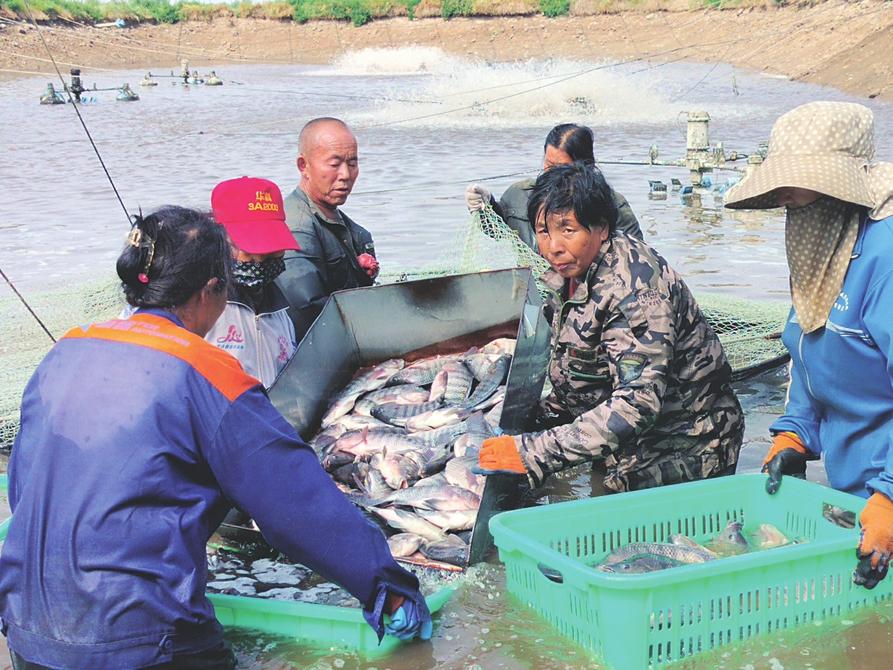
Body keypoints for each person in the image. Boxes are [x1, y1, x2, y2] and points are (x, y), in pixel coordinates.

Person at [0, 207, 431, 669]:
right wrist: (385, 584)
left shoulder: (66, 351)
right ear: (211, 291)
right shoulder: (208, 373)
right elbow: (296, 506)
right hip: (141, 637)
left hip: (28, 628)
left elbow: (26, 487)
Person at [474, 163, 743, 494]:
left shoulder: (634, 289)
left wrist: (534, 450)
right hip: (625, 438)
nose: (553, 246)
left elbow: (638, 403)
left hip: (685, 445)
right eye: (543, 232)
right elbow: (587, 366)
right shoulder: (570, 274)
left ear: (601, 228)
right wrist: (532, 417)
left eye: (568, 230)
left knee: (647, 541)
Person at [724, 101, 893, 590]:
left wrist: (888, 497)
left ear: (839, 190)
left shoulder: (884, 258)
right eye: (787, 203)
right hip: (857, 491)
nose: (790, 207)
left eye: (800, 197)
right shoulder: (821, 248)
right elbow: (809, 350)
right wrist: (795, 434)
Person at [277, 117, 379, 341]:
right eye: (334, 164)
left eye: (352, 163)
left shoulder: (350, 227)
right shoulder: (297, 227)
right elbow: (308, 306)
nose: (345, 175)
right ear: (304, 166)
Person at [464, 123, 643, 248]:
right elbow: (498, 231)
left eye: (562, 168)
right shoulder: (520, 194)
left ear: (586, 166)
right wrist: (485, 208)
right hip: (532, 289)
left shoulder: (611, 205)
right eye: (548, 165)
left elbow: (635, 256)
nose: (552, 175)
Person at [206, 176, 299, 389]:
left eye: (271, 251)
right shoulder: (199, 310)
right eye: (250, 252)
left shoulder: (281, 311)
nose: (260, 261)